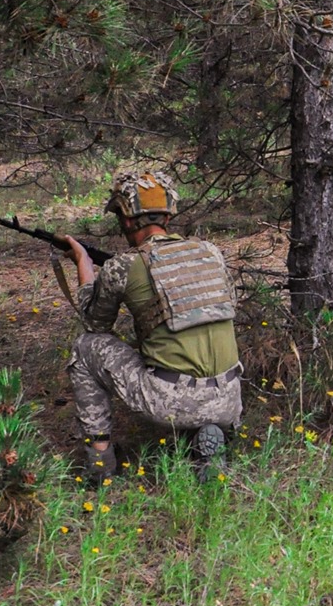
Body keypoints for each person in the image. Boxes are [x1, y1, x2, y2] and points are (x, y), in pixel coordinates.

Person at [65, 169, 242, 483]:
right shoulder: (211, 253)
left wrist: (83, 264)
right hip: (229, 398)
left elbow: (95, 323)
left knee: (84, 348)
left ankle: (99, 461)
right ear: (168, 217)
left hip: (171, 401)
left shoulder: (124, 265)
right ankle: (205, 434)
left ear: (129, 220)